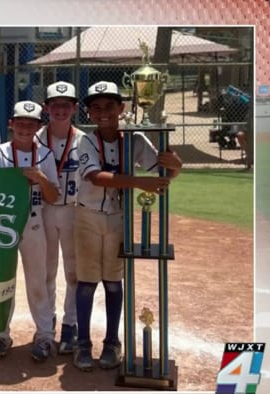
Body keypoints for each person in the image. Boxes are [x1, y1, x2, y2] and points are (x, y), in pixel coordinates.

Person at [73, 81, 181, 372]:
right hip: (87, 216)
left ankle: (112, 342)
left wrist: (176, 164)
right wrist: (139, 181)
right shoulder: (85, 140)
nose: (103, 112)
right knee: (86, 282)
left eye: (110, 106)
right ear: (90, 113)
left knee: (112, 280)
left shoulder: (132, 139)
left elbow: (162, 173)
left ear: (121, 108)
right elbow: (96, 177)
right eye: (96, 107)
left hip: (119, 217)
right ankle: (83, 343)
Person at [0, 100, 60, 362]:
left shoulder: (46, 155)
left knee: (38, 282)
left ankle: (44, 336)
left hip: (34, 223)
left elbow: (53, 196)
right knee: (3, 282)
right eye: (20, 123)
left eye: (31, 124)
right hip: (3, 226)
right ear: (11, 124)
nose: (25, 128)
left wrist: (41, 179)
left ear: (39, 126)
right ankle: (0, 335)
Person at [35, 81, 85, 355]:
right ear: (47, 107)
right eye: (55, 105)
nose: (61, 110)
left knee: (73, 271)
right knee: (46, 270)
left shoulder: (84, 139)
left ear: (75, 108)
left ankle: (70, 325)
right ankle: (46, 324)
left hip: (73, 210)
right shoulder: (35, 138)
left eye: (66, 105)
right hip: (43, 209)